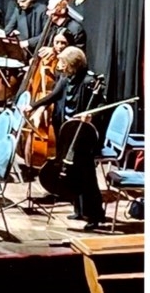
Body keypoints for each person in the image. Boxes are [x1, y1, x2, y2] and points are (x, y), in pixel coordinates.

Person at [21, 46, 105, 231]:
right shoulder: (66, 79)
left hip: (82, 134)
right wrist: (33, 106)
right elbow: (53, 96)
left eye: (62, 63)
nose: (59, 66)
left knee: (87, 175)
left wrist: (91, 116)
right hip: (65, 131)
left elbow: (101, 106)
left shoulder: (89, 81)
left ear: (72, 64)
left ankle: (95, 215)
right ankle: (78, 209)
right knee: (73, 173)